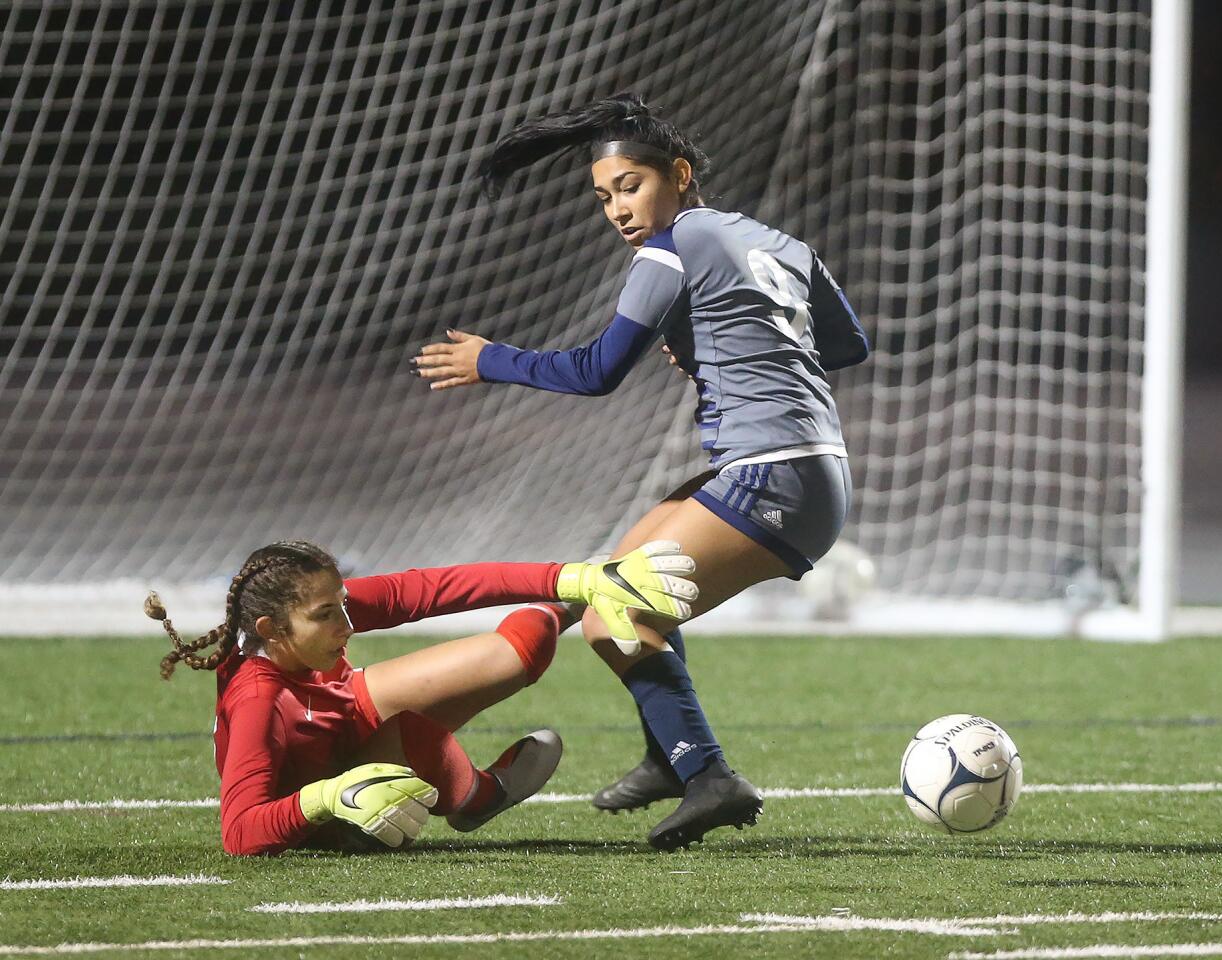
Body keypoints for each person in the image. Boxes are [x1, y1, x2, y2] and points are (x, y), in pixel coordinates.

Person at [409, 93, 869, 850]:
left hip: (773, 475)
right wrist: (721, 337)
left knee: (612, 613)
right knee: (616, 575)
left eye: (630, 187)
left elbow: (595, 372)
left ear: (679, 175)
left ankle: (708, 775)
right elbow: (846, 347)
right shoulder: (780, 243)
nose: (617, 210)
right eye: (602, 197)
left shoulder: (671, 248)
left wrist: (488, 358)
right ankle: (669, 751)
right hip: (809, 466)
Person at [148, 538, 696, 855]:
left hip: (341, 715)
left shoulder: (303, 623)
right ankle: (476, 795)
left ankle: (571, 606)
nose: (347, 621)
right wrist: (326, 799)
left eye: (343, 603)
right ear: (270, 629)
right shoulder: (257, 700)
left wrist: (572, 580)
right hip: (327, 803)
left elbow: (435, 587)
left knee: (521, 651)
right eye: (327, 615)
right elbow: (240, 833)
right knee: (412, 732)